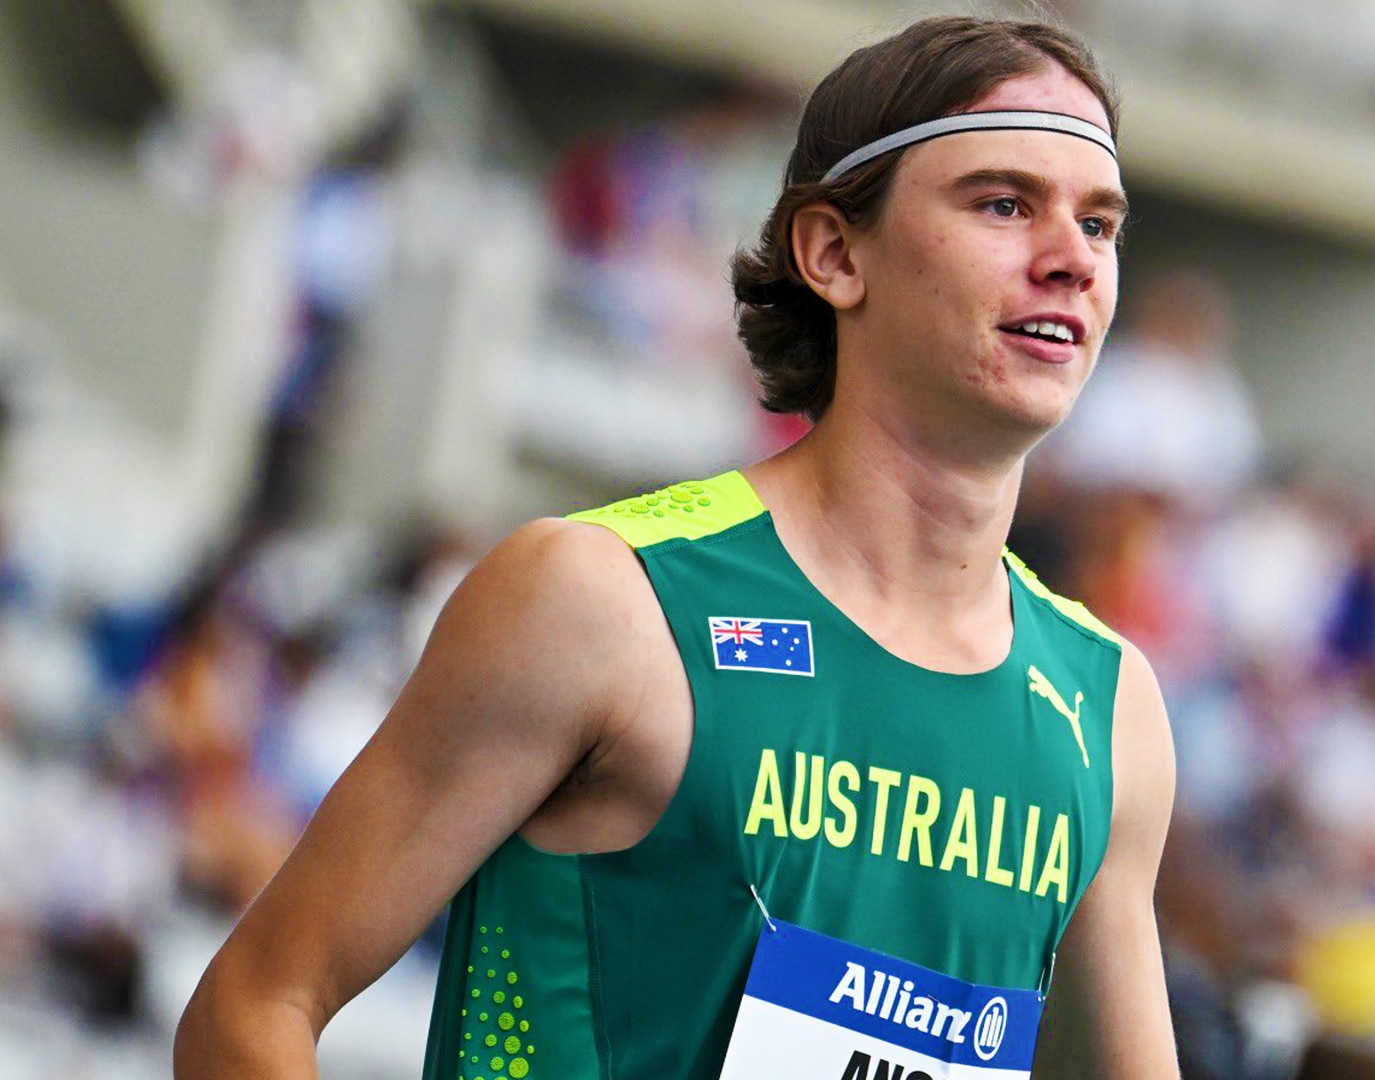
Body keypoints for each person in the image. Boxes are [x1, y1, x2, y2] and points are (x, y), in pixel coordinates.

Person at [175, 15, 1180, 1080]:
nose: (1072, 260)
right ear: (836, 253)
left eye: (1103, 225)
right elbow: (253, 1008)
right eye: (1004, 203)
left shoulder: (1108, 712)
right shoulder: (603, 602)